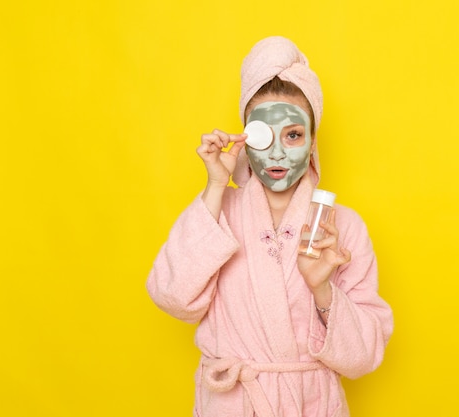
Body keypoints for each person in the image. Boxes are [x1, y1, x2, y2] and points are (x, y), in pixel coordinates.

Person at [146, 36, 393, 417]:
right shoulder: (217, 212)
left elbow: (363, 357)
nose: (277, 153)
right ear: (245, 139)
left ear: (312, 142)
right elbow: (172, 297)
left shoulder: (342, 227)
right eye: (265, 136)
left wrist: (322, 288)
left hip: (312, 406)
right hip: (234, 405)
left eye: (293, 135)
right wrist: (215, 186)